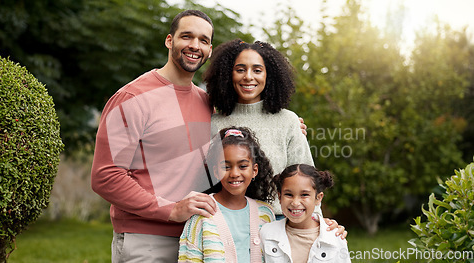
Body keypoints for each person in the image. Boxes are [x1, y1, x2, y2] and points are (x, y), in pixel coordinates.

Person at [91, 10, 345, 263]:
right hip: (148, 238)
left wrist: (319, 224)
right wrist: (171, 210)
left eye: (203, 40)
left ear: (210, 49)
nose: (194, 45)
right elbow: (105, 176)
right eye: (186, 36)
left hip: (209, 232)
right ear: (169, 40)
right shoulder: (132, 98)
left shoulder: (205, 104)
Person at [205, 39, 319, 219]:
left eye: (257, 70)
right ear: (228, 74)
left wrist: (316, 223)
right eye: (240, 69)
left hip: (279, 222)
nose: (248, 76)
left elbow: (307, 178)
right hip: (228, 221)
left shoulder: (288, 121)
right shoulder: (213, 124)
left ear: (269, 75)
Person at [178, 127, 276, 262]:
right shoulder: (202, 213)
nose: (235, 174)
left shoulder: (265, 214)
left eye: (242, 166)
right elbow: (189, 258)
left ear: (254, 170)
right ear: (216, 172)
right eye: (226, 167)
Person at [260, 164, 351, 263]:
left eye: (304, 195)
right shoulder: (266, 233)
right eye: (289, 194)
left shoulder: (334, 237)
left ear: (318, 198)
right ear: (280, 197)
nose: (295, 203)